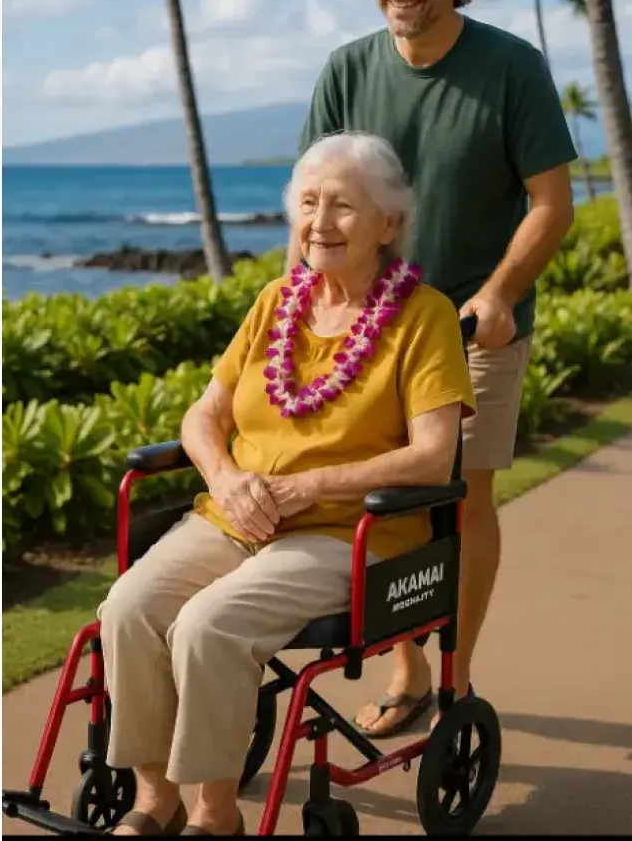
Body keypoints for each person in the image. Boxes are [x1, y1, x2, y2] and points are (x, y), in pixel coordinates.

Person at [98, 130, 476, 836]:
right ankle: (154, 800)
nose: (319, 221)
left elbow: (432, 455)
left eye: (342, 206)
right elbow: (203, 414)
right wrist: (226, 474)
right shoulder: (277, 301)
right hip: (238, 513)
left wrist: (309, 487)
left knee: (210, 626)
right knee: (128, 608)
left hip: (346, 531)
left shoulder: (424, 318)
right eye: (308, 202)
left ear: (388, 223)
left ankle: (217, 817)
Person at [291, 0, 577, 738]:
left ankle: (454, 676)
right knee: (385, 499)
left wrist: (495, 293)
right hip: (365, 329)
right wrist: (295, 316)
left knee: (461, 496)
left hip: (469, 328)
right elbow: (313, 210)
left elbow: (551, 203)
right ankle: (409, 665)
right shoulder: (347, 69)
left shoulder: (511, 66)